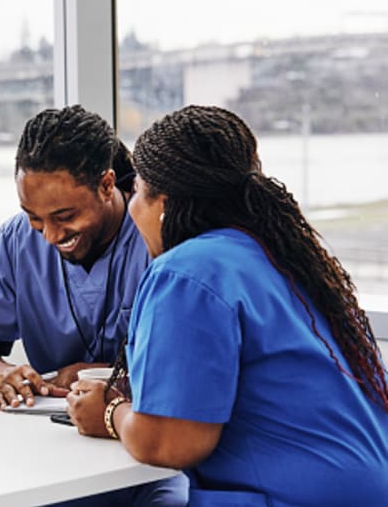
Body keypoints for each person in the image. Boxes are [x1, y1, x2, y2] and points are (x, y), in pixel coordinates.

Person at [67, 105, 388, 506]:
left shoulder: (185, 272)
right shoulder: (285, 259)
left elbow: (170, 442)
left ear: (163, 203)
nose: (131, 209)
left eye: (136, 192)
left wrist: (111, 412)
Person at [0, 105, 187, 506]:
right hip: (57, 462)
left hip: (149, 456)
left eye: (64, 216)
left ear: (107, 185)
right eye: (35, 218)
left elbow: (193, 371)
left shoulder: (157, 237)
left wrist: (112, 382)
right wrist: (0, 373)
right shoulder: (18, 240)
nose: (50, 236)